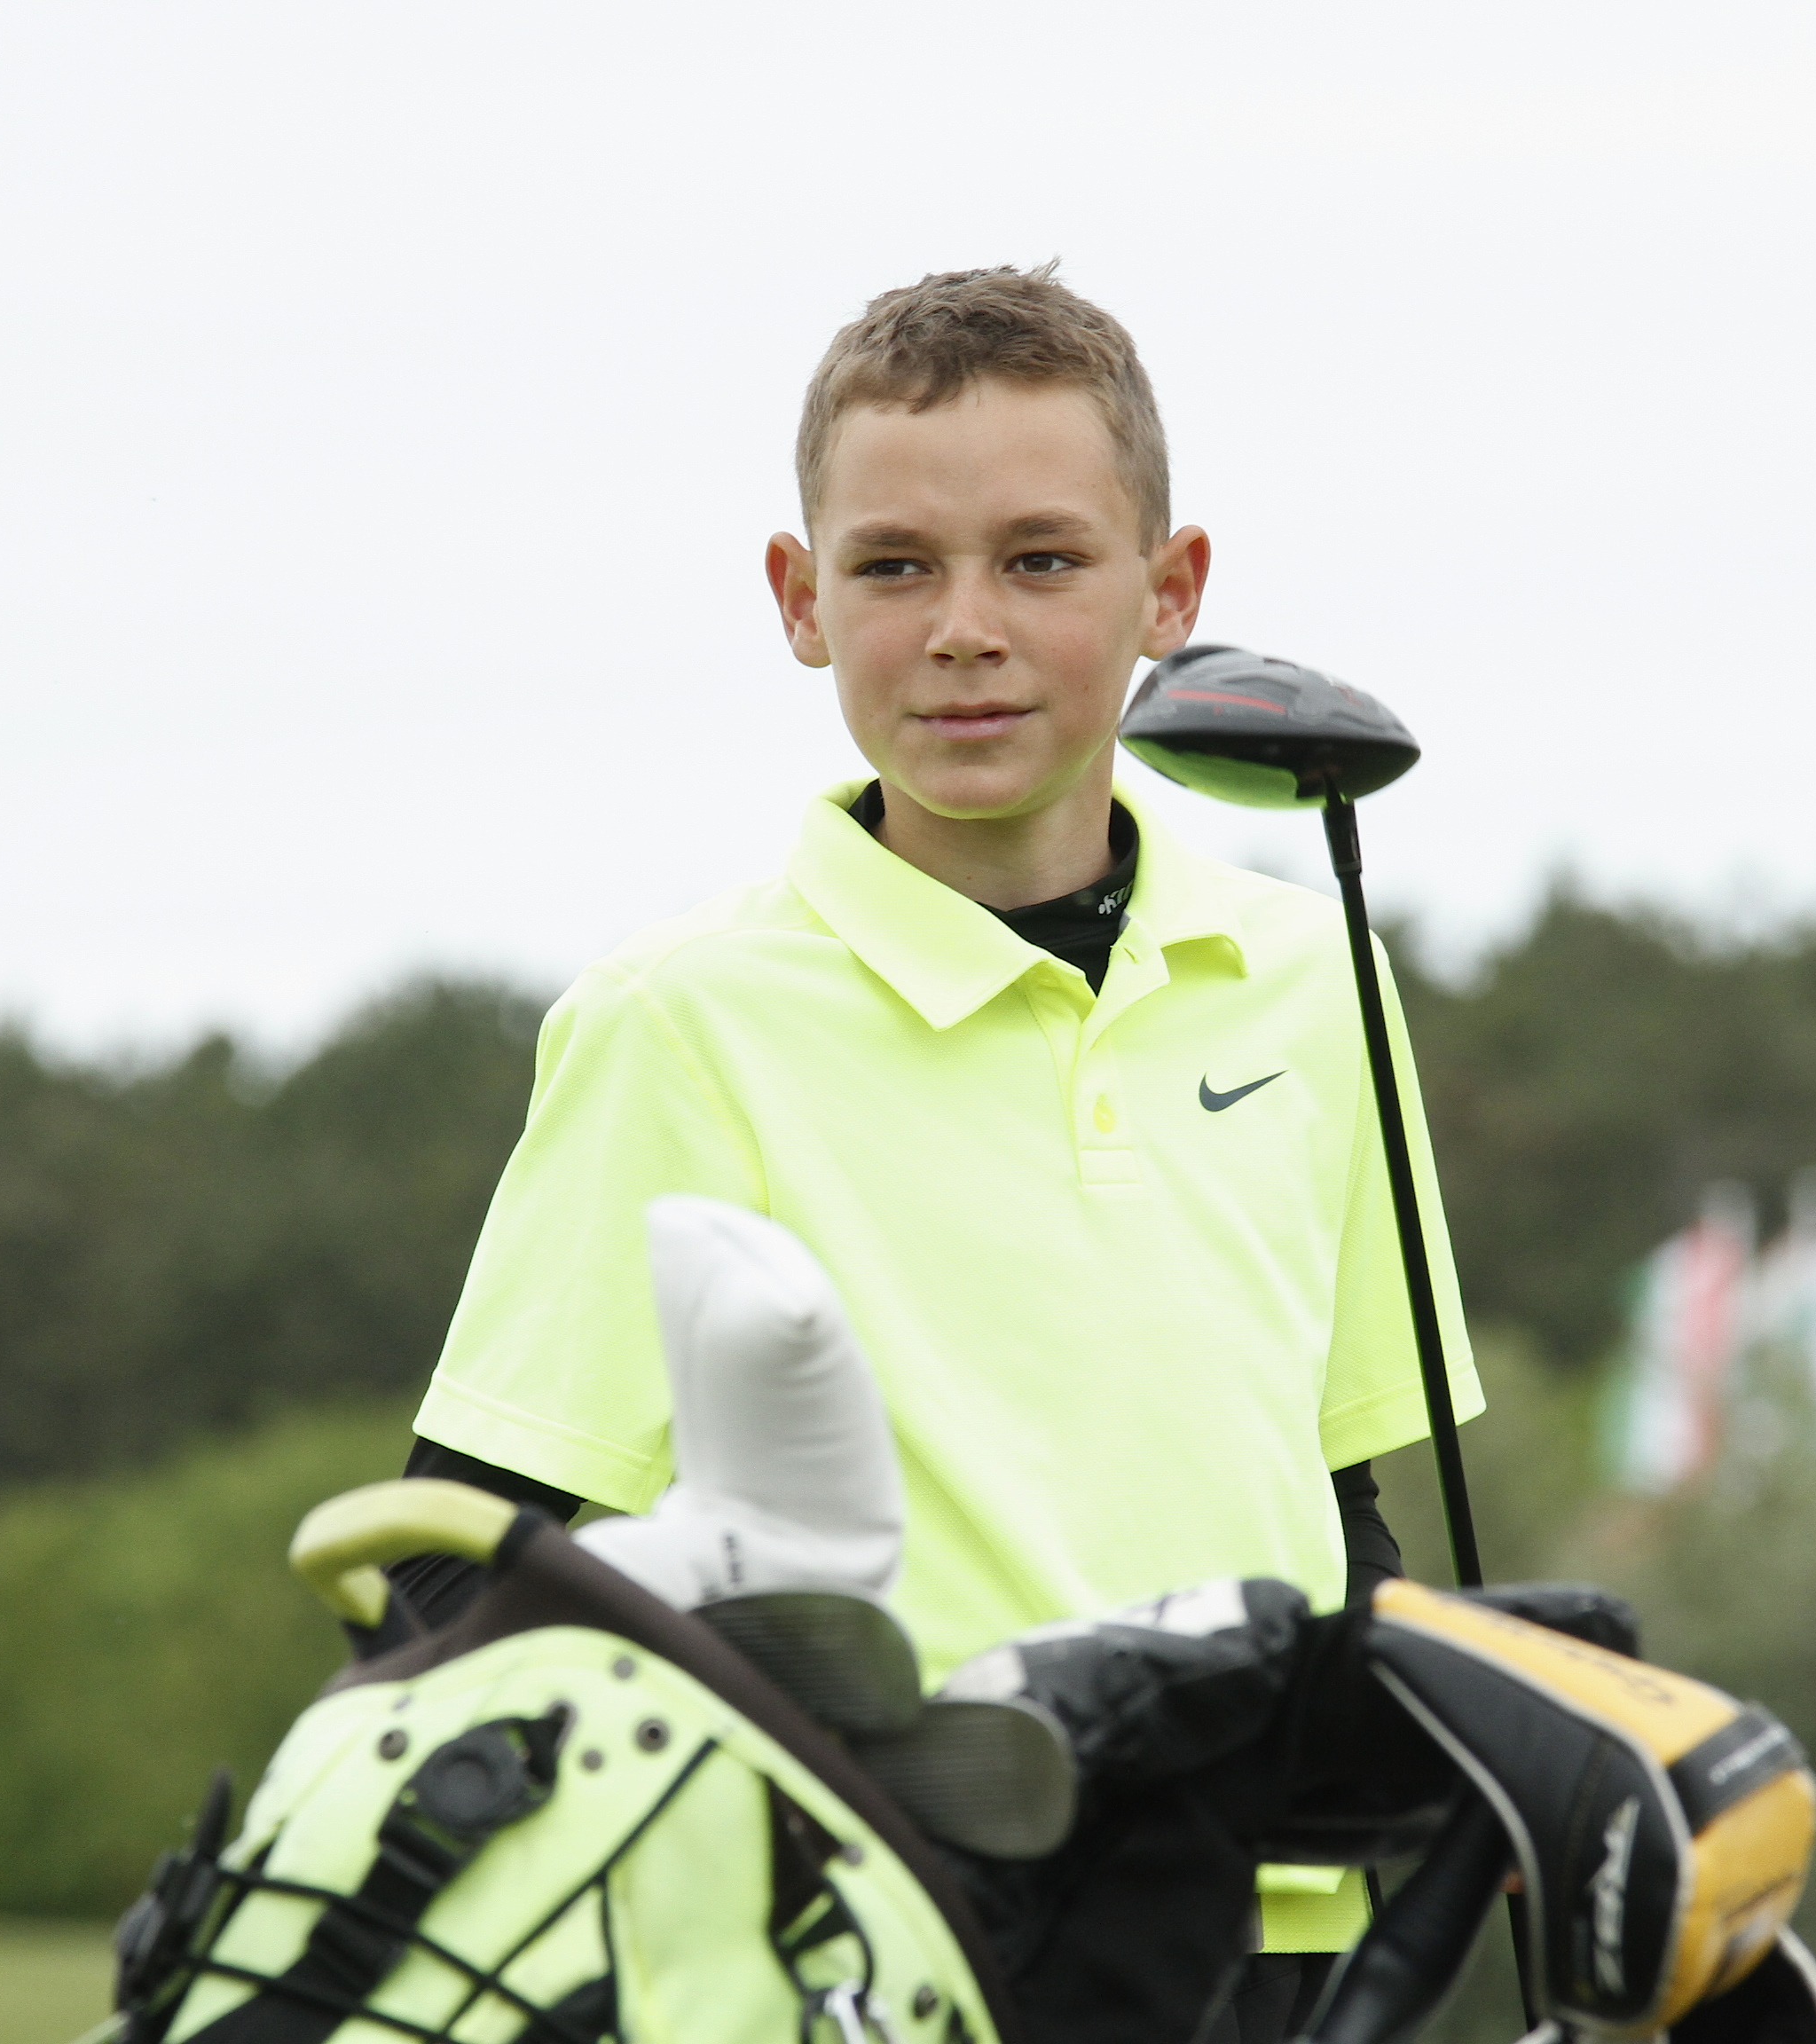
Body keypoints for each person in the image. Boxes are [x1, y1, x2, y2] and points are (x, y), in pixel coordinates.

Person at [391, 263, 1482, 2039]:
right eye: (896, 567)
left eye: (1041, 561)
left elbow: (1336, 1508)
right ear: (800, 599)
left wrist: (1487, 1731)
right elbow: (457, 1569)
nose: (965, 627)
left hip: (1282, 1931)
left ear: (1171, 591)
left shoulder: (1315, 978)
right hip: (879, 1952)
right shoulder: (680, 1021)